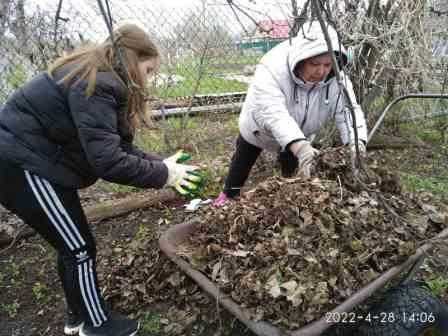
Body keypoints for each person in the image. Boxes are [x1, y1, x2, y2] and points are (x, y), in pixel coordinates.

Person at [0, 24, 200, 336]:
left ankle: (78, 316)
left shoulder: (98, 75)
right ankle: (98, 325)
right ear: (134, 60)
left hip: (35, 162)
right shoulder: (98, 82)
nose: (149, 79)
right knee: (78, 247)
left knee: (73, 245)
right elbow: (108, 162)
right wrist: (164, 176)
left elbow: (117, 146)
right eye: (148, 69)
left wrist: (162, 165)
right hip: (21, 164)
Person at [213, 21, 368, 206]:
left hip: (300, 133)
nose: (321, 71)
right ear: (302, 59)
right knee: (244, 157)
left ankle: (288, 199)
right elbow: (274, 113)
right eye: (315, 64)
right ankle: (228, 196)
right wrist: (301, 147)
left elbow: (348, 111)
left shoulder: (337, 79)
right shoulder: (272, 69)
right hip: (259, 127)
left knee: (293, 169)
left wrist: (356, 145)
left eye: (327, 65)